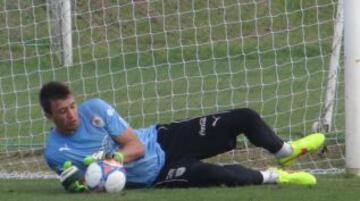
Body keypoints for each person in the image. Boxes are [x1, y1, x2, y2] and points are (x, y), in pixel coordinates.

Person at [39, 81, 325, 192]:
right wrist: (83, 184)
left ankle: (286, 152)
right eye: (62, 112)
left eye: (72, 106)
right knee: (220, 175)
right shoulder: (55, 153)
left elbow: (135, 146)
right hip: (159, 174)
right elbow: (79, 185)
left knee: (245, 117)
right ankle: (277, 176)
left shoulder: (95, 109)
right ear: (50, 117)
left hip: (163, 138)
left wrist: (111, 160)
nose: (72, 114)